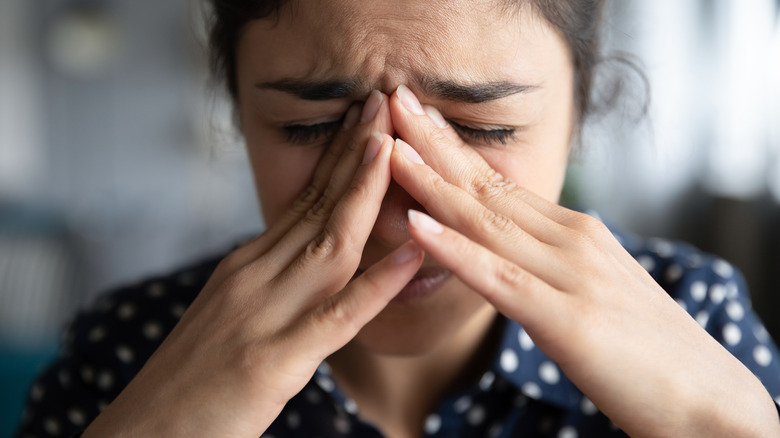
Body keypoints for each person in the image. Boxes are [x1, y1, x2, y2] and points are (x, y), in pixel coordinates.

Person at [15, 0, 780, 437]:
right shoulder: (128, 353)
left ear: (577, 115)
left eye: (482, 131)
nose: (398, 217)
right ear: (240, 114)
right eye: (312, 129)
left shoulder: (698, 317)